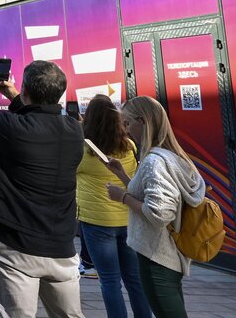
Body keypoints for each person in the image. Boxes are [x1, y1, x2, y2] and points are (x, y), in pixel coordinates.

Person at [0, 61, 85, 318]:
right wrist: (16, 96)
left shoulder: (10, 127)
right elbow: (40, 121)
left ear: (26, 89)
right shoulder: (74, 130)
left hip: (16, 243)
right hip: (61, 245)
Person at [105, 96, 206, 318]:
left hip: (156, 256)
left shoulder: (154, 161)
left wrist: (122, 197)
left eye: (128, 123)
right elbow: (153, 195)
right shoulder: (174, 157)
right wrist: (122, 175)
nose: (127, 130)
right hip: (171, 252)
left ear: (143, 122)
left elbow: (159, 213)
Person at [75, 95, 151, 318]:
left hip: (97, 222)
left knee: (109, 281)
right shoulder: (129, 145)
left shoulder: (82, 149)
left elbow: (70, 174)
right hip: (128, 218)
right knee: (134, 280)